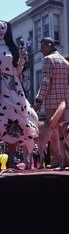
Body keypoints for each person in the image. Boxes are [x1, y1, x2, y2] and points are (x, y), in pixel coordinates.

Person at [0, 20, 39, 168]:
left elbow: (17, 71)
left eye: (2, 28)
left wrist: (22, 59)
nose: (0, 30)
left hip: (12, 89)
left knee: (15, 120)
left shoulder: (11, 49)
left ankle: (10, 159)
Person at [34, 37, 69, 167]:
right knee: (65, 132)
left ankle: (56, 162)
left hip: (52, 102)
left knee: (54, 134)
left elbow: (46, 81)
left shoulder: (48, 60)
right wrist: (62, 85)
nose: (41, 50)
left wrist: (39, 100)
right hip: (66, 102)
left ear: (50, 45)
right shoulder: (65, 61)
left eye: (42, 47)